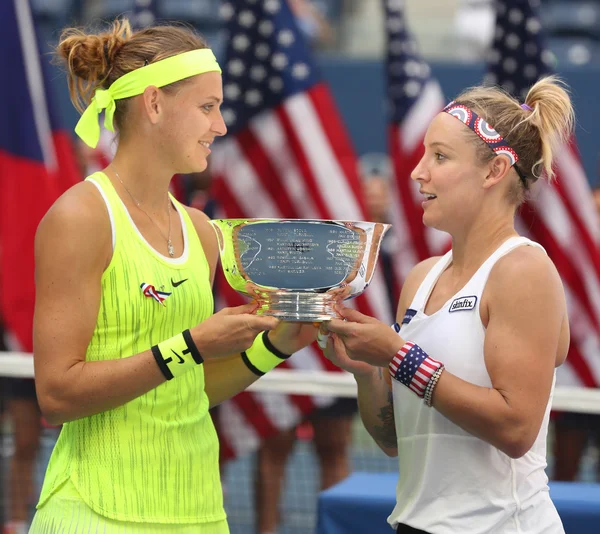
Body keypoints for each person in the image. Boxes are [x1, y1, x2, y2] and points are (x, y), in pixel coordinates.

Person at [29, 18, 316, 533]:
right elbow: (57, 395)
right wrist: (189, 344)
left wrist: (276, 345)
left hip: (200, 513)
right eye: (208, 107)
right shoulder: (81, 217)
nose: (221, 126)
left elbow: (185, 390)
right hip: (95, 514)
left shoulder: (202, 232)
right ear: (155, 104)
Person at [320, 75, 573, 534]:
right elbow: (397, 439)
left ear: (494, 171)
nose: (418, 172)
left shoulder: (523, 271)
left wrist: (395, 356)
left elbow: (517, 430)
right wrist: (365, 371)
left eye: (439, 156)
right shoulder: (421, 278)